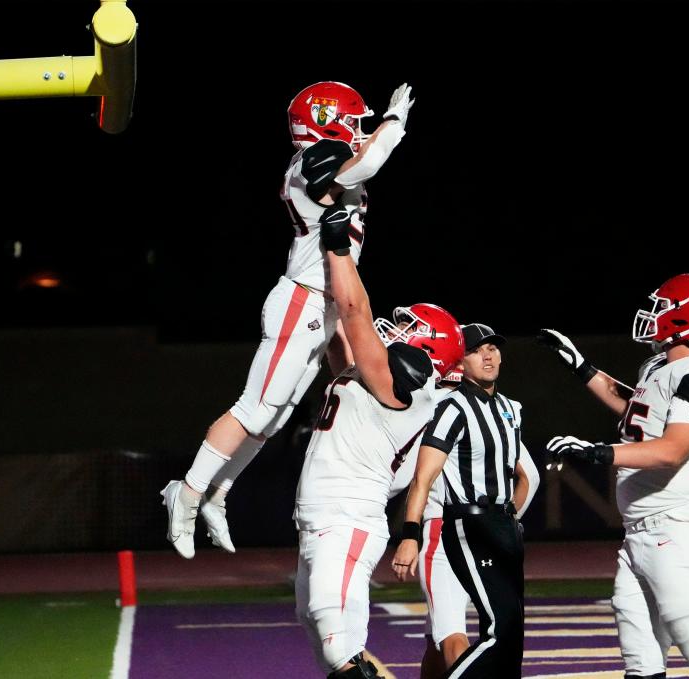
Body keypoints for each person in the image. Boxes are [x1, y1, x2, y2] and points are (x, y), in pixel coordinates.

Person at [160, 81, 416, 558]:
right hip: (302, 299)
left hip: (323, 306)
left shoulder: (327, 162)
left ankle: (219, 493)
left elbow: (359, 165)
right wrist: (394, 124)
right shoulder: (314, 160)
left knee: (275, 418)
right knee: (255, 407)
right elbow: (366, 162)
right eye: (354, 122)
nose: (359, 132)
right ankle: (188, 491)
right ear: (326, 121)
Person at [539, 273, 689, 679]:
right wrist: (582, 367)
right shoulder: (659, 366)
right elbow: (638, 411)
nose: (652, 312)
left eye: (663, 306)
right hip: (641, 531)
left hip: (683, 526)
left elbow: (671, 450)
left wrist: (597, 452)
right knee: (641, 663)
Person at [294, 209, 465, 678]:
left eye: (410, 327)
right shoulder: (382, 380)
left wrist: (340, 248)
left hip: (347, 517)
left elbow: (355, 314)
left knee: (338, 647)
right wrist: (320, 271)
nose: (396, 331)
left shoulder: (406, 384)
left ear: (428, 350)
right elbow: (338, 336)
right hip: (323, 517)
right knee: (327, 644)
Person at [392, 323, 532, 678]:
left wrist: (509, 517)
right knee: (455, 636)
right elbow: (419, 476)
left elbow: (527, 476)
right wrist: (409, 532)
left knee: (467, 636)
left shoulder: (508, 410)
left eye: (493, 348)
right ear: (458, 359)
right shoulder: (446, 406)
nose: (488, 355)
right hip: (451, 528)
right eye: (475, 350)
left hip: (495, 528)